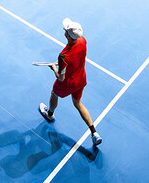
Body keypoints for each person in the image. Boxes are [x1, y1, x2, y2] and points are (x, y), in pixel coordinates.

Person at [38, 18, 101, 147]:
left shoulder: (63, 56)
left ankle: (49, 114)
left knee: (54, 93)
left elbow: (61, 78)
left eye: (65, 30)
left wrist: (54, 68)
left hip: (68, 84)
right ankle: (94, 133)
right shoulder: (83, 41)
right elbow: (82, 55)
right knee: (78, 104)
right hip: (81, 79)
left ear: (67, 35)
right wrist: (64, 65)